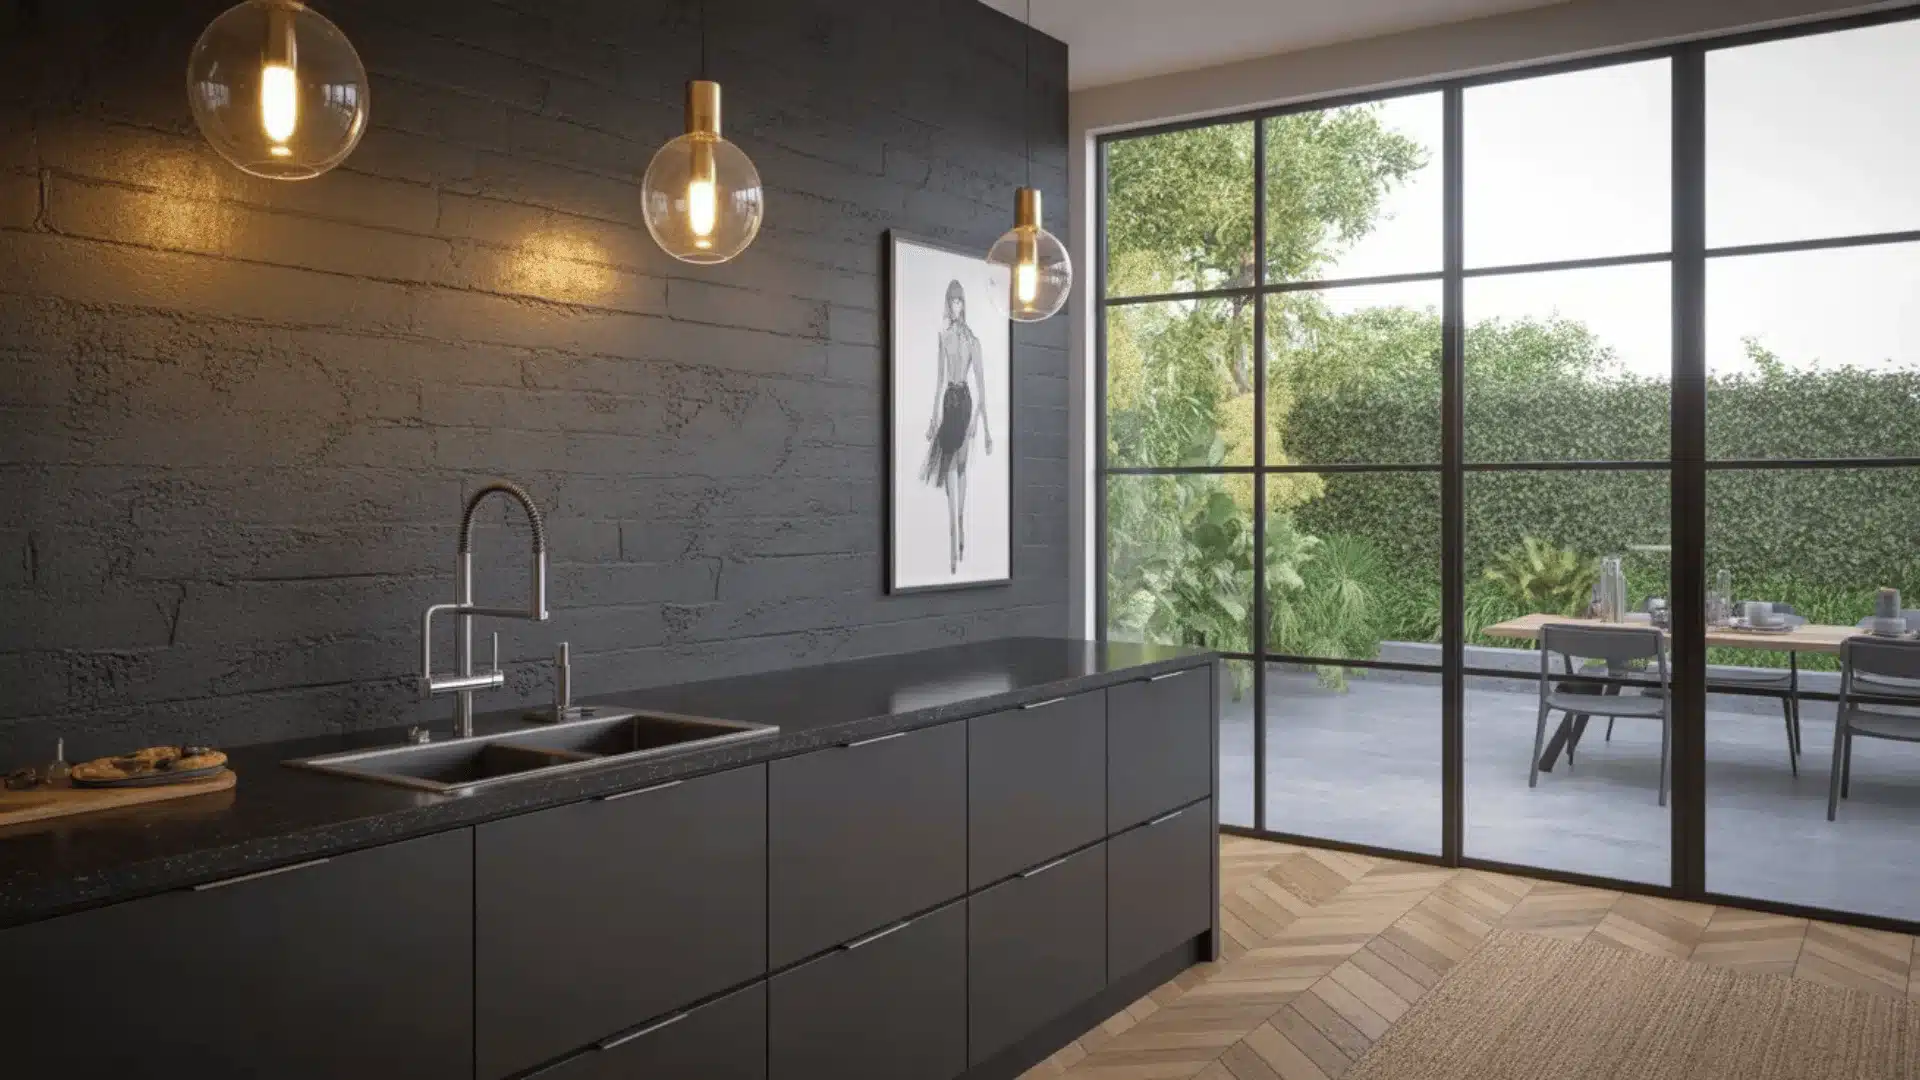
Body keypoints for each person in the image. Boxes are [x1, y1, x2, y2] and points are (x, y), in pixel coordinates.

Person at [921, 278, 993, 574]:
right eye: (951, 301)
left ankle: (959, 528)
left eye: (959, 300)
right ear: (947, 304)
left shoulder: (973, 340)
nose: (955, 306)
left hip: (965, 402)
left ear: (964, 304)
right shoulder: (943, 337)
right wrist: (932, 417)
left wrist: (985, 426)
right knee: (948, 468)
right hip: (949, 401)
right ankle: (954, 530)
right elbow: (939, 381)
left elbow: (982, 384)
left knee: (960, 468)